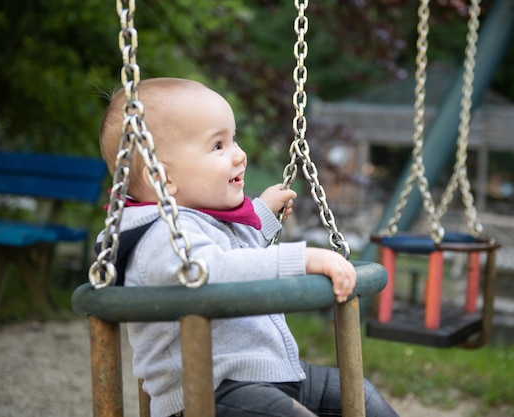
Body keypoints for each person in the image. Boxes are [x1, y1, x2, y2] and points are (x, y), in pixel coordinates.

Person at [97, 77, 400, 417]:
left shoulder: (201, 220)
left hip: (267, 376)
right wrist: (301, 259)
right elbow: (217, 267)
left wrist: (261, 213)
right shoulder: (159, 237)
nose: (240, 155)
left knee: (362, 397)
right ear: (162, 178)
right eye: (218, 146)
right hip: (209, 395)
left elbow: (236, 250)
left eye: (234, 139)